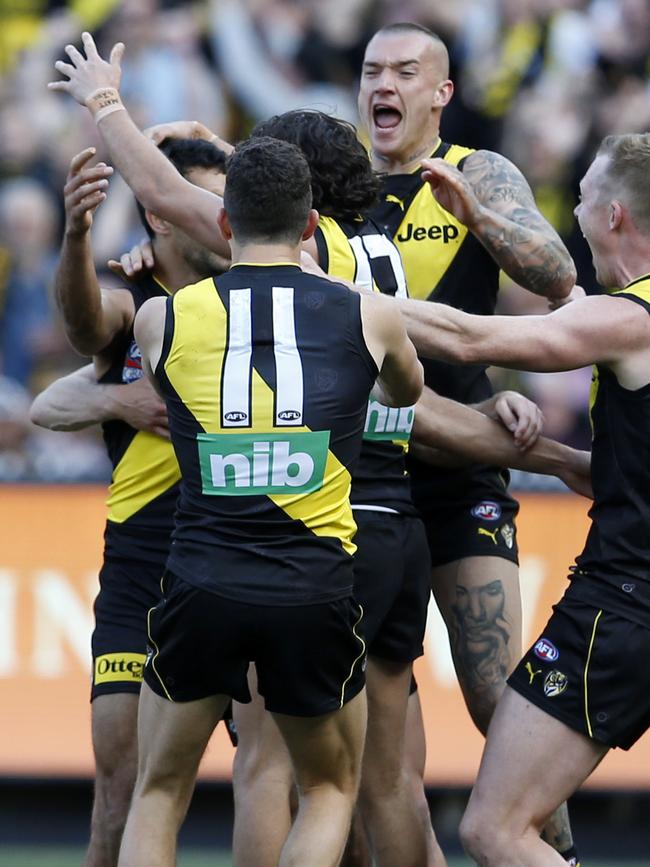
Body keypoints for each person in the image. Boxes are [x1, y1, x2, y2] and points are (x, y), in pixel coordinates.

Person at [129, 134, 423, 867]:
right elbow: (408, 393)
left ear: (224, 224)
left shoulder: (161, 318)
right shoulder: (368, 314)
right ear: (312, 226)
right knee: (329, 788)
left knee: (159, 791)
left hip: (201, 580)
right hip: (315, 586)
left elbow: (183, 397)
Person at [392, 132, 650, 865]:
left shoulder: (629, 319)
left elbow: (469, 339)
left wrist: (319, 290)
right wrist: (567, 459)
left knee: (494, 829)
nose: (572, 211)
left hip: (623, 606)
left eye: (582, 198)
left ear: (614, 218)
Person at [357, 21, 580, 863]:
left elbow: (558, 278)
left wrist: (477, 214)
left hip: (461, 463)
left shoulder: (476, 170)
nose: (385, 83)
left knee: (498, 699)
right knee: (371, 736)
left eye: (405, 71)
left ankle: (555, 854)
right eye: (373, 70)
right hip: (360, 474)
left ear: (440, 92)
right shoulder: (336, 180)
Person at [30, 136, 229, 867]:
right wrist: (79, 231)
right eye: (206, 204)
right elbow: (79, 341)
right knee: (119, 793)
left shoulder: (260, 291)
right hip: (141, 567)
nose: (224, 217)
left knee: (289, 783)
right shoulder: (132, 302)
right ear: (164, 217)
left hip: (245, 555)